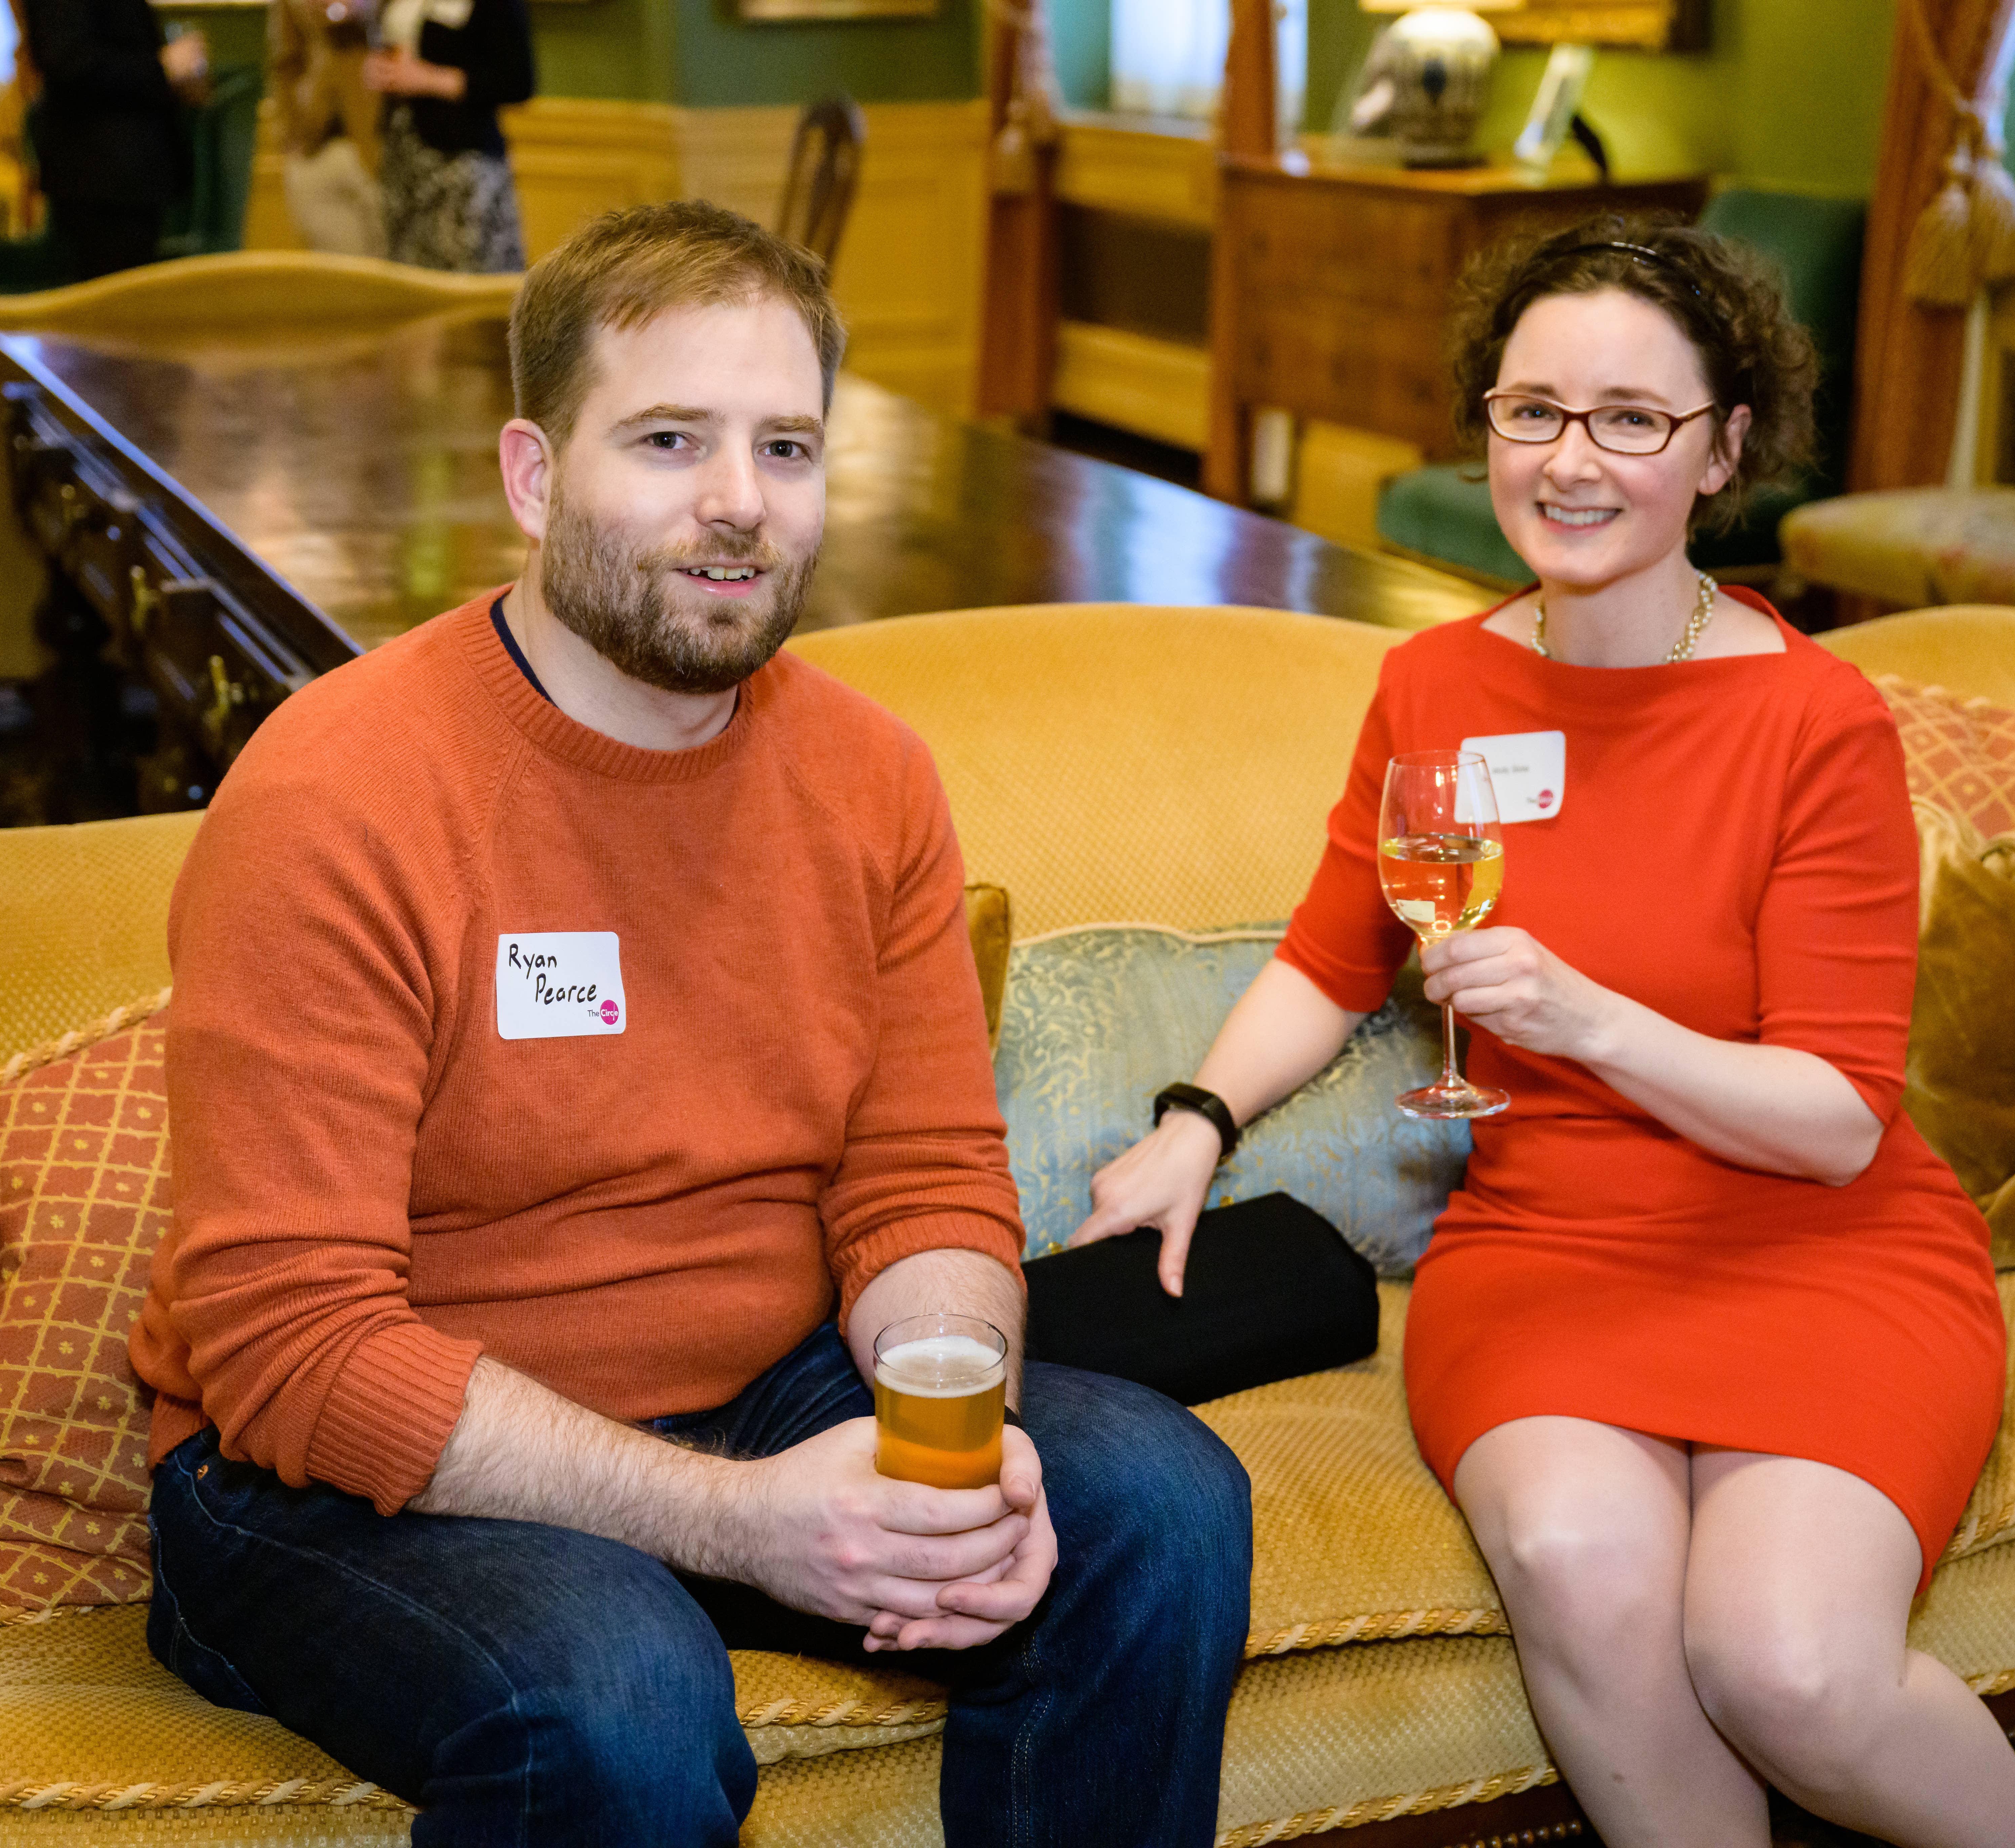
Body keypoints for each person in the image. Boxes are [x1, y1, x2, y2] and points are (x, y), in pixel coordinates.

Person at [130, 200, 1252, 1847]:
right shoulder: (336, 791)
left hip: (759, 1383)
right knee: (619, 1688)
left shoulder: (869, 777)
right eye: (668, 439)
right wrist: (742, 1521)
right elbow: (292, 1339)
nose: (738, 501)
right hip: (330, 1477)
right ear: (531, 475)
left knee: (1156, 1501)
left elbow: (925, 1181)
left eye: (784, 445)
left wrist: (958, 1442)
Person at [1074, 215, 2015, 1848]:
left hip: (1813, 1243)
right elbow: (1330, 956)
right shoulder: (1434, 685)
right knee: (1579, 1569)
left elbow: (1832, 1119)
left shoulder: (1814, 720)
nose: (1570, 459)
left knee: (1786, 1661)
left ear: (1724, 443)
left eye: (1629, 417)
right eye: (1530, 410)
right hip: (1542, 1241)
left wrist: (1592, 1019)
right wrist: (1192, 1119)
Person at [26, 0, 205, 281]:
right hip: (100, 180)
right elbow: (70, 65)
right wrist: (163, 68)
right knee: (108, 311)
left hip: (130, 178)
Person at [366, 0, 530, 273]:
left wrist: (428, 79)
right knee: (407, 276)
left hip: (461, 163)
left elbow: (517, 81)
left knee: (465, 279)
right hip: (403, 153)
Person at [268, 0, 383, 258]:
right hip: (315, 149)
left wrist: (367, 8)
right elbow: (286, 60)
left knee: (397, 287)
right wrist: (293, 134)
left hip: (384, 146)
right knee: (341, 287)